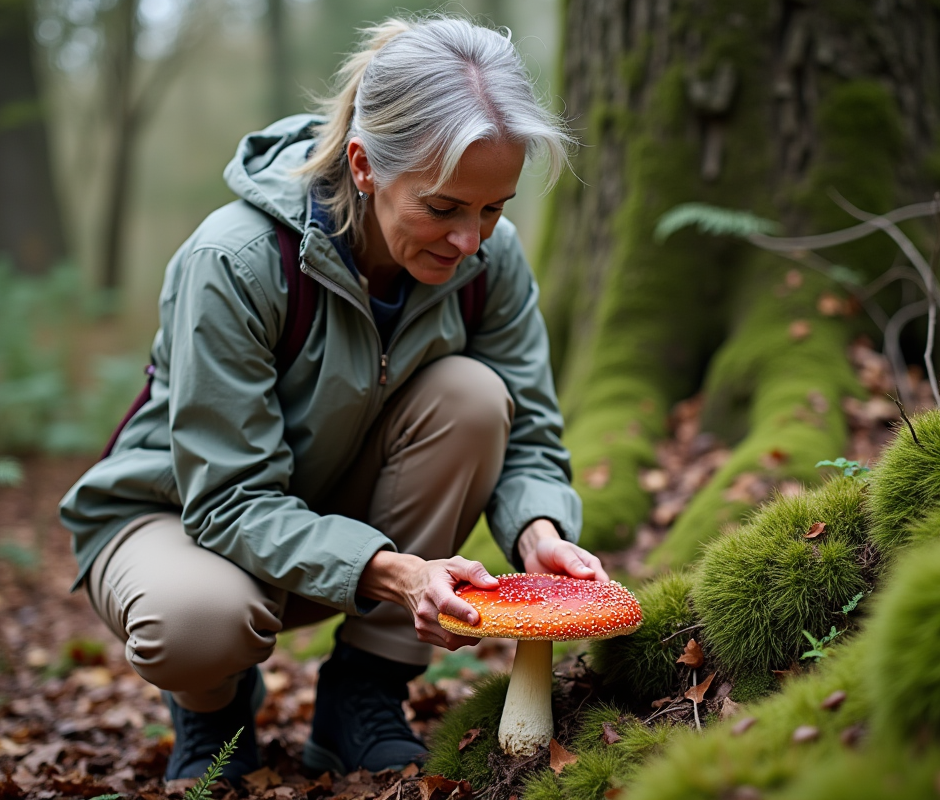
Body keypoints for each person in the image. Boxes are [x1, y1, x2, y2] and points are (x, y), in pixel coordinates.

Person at [59, 14, 605, 783]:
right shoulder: (237, 260)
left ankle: (363, 695)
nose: (470, 241)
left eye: (494, 208)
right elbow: (229, 501)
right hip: (180, 516)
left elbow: (530, 436)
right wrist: (396, 572)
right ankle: (213, 710)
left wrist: (538, 528)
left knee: (473, 396)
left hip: (330, 515)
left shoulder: (490, 262)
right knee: (201, 625)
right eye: (444, 207)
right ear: (364, 164)